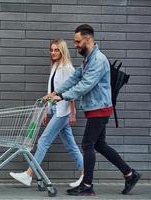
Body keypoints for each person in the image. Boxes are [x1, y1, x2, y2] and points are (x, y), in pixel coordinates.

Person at [49, 24, 141, 196]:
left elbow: (85, 85)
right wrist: (56, 91)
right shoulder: (88, 58)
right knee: (99, 144)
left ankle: (87, 185)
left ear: (88, 39)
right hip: (96, 108)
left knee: (87, 144)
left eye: (78, 41)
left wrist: (62, 97)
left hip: (100, 109)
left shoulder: (97, 60)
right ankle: (130, 174)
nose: (75, 45)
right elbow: (76, 77)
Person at [9, 38, 84, 188]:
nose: (53, 53)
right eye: (51, 50)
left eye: (57, 50)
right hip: (56, 109)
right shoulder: (56, 66)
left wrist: (72, 113)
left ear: (62, 51)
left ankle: (29, 174)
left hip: (62, 112)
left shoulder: (67, 68)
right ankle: (86, 174)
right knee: (70, 145)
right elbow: (52, 91)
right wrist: (45, 110)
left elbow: (71, 91)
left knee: (43, 141)